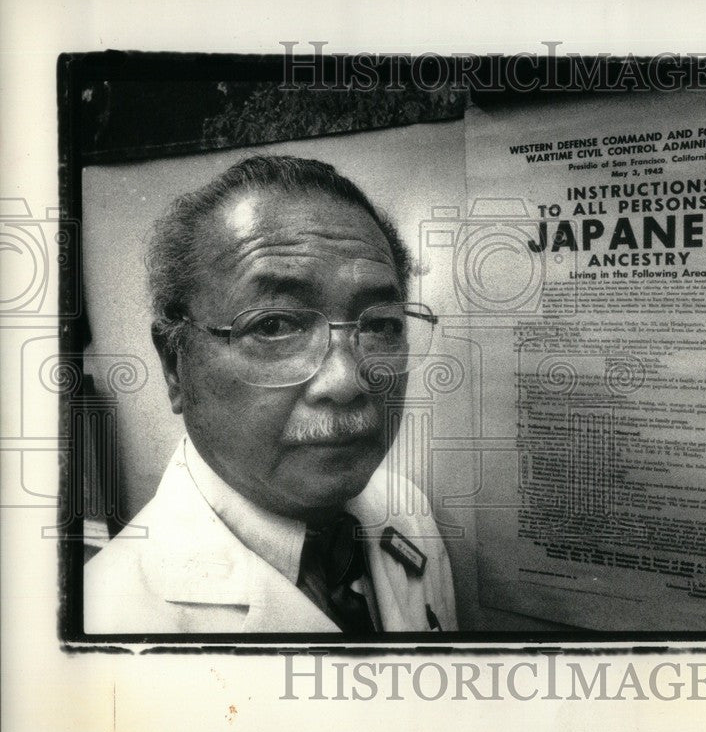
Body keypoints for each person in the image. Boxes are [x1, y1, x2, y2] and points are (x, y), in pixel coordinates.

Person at [84, 155, 457, 634]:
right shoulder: (107, 622)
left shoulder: (407, 512)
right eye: (274, 325)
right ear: (175, 367)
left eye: (381, 323)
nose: (346, 380)